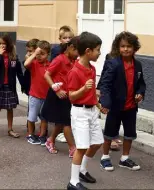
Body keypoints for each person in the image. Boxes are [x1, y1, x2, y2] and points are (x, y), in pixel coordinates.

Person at [99, 31, 146, 171]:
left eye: (129, 46)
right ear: (118, 48)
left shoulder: (138, 65)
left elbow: (142, 83)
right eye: (123, 46)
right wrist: (105, 103)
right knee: (109, 133)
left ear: (134, 48)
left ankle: (125, 158)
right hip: (115, 106)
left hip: (131, 106)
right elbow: (105, 84)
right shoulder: (113, 64)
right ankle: (105, 157)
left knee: (129, 134)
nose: (126, 49)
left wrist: (140, 93)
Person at [67, 31, 104, 190]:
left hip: (91, 111)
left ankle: (82, 170)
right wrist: (83, 89)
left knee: (97, 143)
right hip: (79, 112)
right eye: (97, 49)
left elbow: (91, 90)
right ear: (88, 51)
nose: (99, 52)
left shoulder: (93, 68)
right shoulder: (75, 71)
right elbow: (72, 97)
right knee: (81, 147)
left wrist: (97, 103)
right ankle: (73, 182)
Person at [41, 37, 78, 157]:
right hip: (57, 94)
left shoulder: (74, 61)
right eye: (78, 51)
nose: (79, 55)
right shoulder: (59, 59)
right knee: (66, 122)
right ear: (71, 48)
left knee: (61, 123)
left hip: (68, 96)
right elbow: (47, 75)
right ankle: (73, 148)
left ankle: (50, 140)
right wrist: (56, 89)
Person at [0, 33, 24, 140]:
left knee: (10, 109)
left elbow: (19, 72)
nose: (1, 45)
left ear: (8, 44)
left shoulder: (13, 57)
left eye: (4, 43)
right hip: (0, 86)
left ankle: (10, 129)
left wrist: (23, 84)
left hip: (10, 86)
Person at [24, 40, 51, 146]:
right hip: (34, 96)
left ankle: (42, 136)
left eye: (42, 54)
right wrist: (35, 54)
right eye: (38, 54)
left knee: (44, 118)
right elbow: (26, 63)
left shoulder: (50, 65)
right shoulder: (34, 64)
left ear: (48, 54)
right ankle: (30, 134)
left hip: (46, 96)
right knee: (32, 117)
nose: (39, 57)